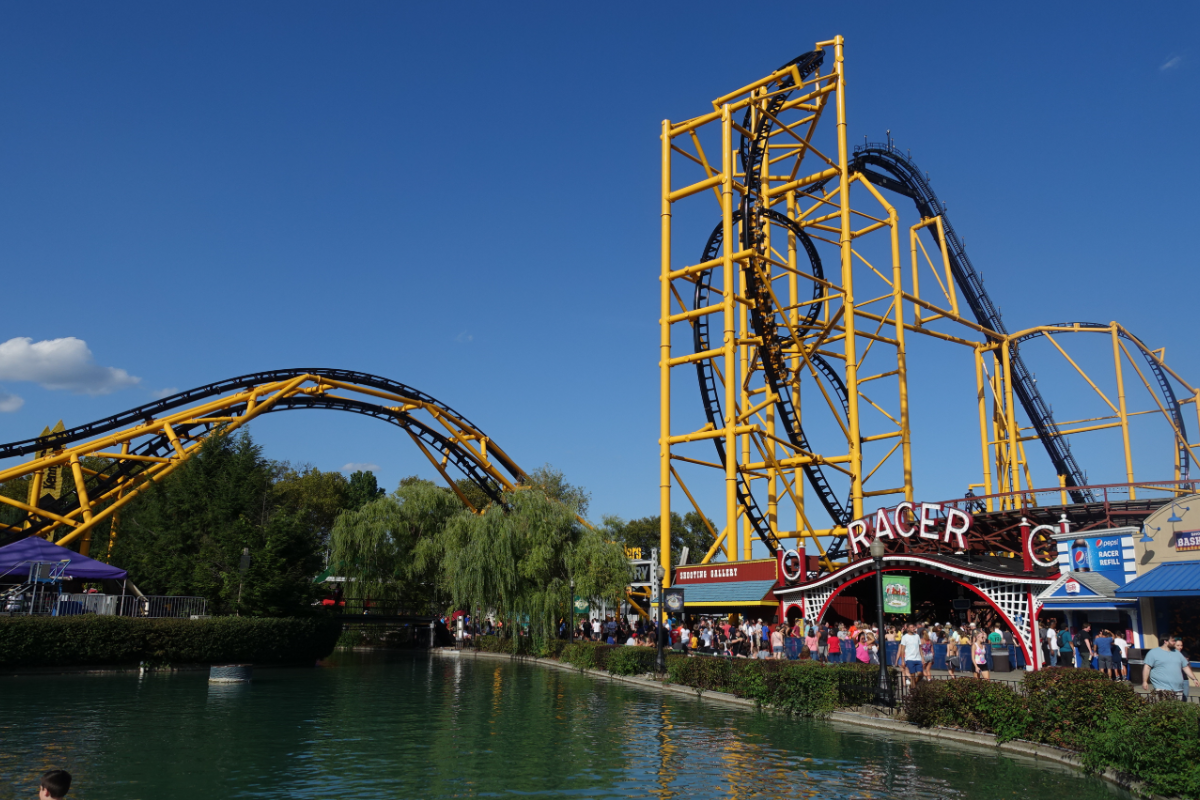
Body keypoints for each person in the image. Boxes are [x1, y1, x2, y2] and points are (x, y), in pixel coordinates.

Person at [896, 623, 923, 689]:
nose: (913, 628)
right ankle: (913, 689)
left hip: (918, 658)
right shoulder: (904, 637)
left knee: (920, 674)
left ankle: (912, 685)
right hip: (909, 659)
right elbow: (902, 650)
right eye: (911, 627)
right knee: (912, 675)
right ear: (908, 629)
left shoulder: (917, 636)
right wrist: (903, 661)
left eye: (913, 627)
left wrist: (923, 658)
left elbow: (920, 647)